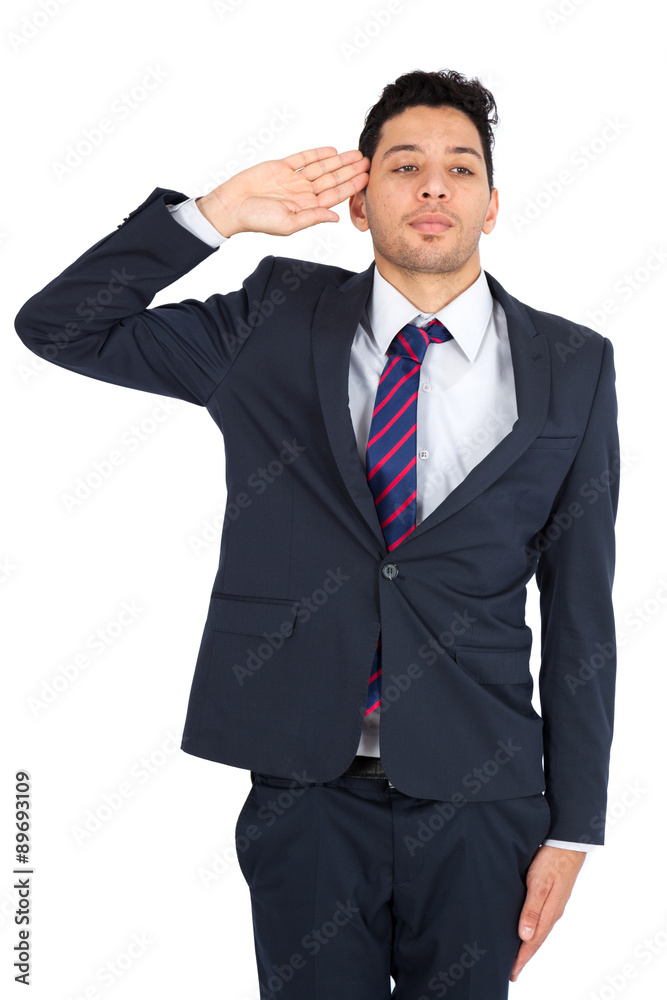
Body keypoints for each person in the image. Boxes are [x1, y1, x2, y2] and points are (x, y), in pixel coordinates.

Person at [14, 69, 620, 999]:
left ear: (491, 206)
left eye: (460, 168)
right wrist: (214, 216)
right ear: (358, 202)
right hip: (305, 791)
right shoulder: (271, 318)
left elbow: (580, 610)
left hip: (481, 793)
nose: (432, 186)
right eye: (403, 165)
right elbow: (61, 327)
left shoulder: (572, 364)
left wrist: (574, 827)